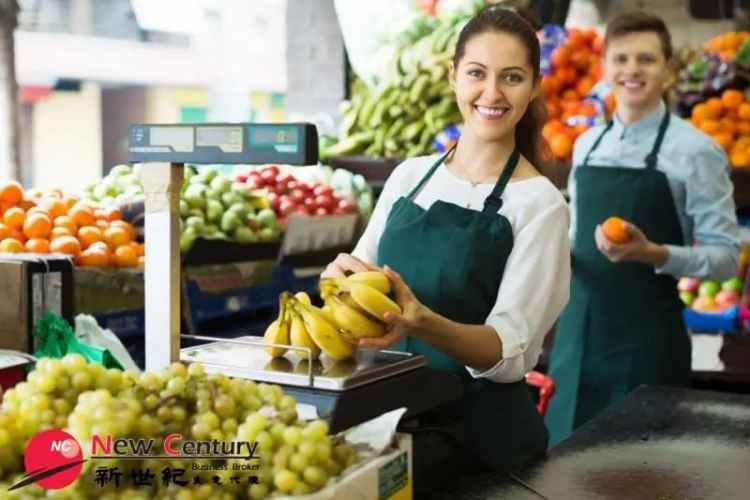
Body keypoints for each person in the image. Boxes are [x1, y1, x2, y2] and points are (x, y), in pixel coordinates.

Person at [322, 5, 571, 496]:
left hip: (477, 448)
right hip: (387, 422)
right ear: (453, 75)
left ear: (534, 87)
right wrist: (339, 279)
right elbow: (360, 277)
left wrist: (422, 321)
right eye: (477, 73)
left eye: (512, 77)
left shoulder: (539, 203)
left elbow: (509, 351)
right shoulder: (410, 177)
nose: (492, 94)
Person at [546, 11, 741, 446]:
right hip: (576, 341)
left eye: (646, 59)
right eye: (621, 59)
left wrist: (654, 253)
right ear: (605, 67)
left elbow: (726, 257)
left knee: (643, 475)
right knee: (562, 468)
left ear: (668, 68)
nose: (631, 70)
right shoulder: (586, 144)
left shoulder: (696, 151)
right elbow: (575, 233)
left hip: (648, 343)